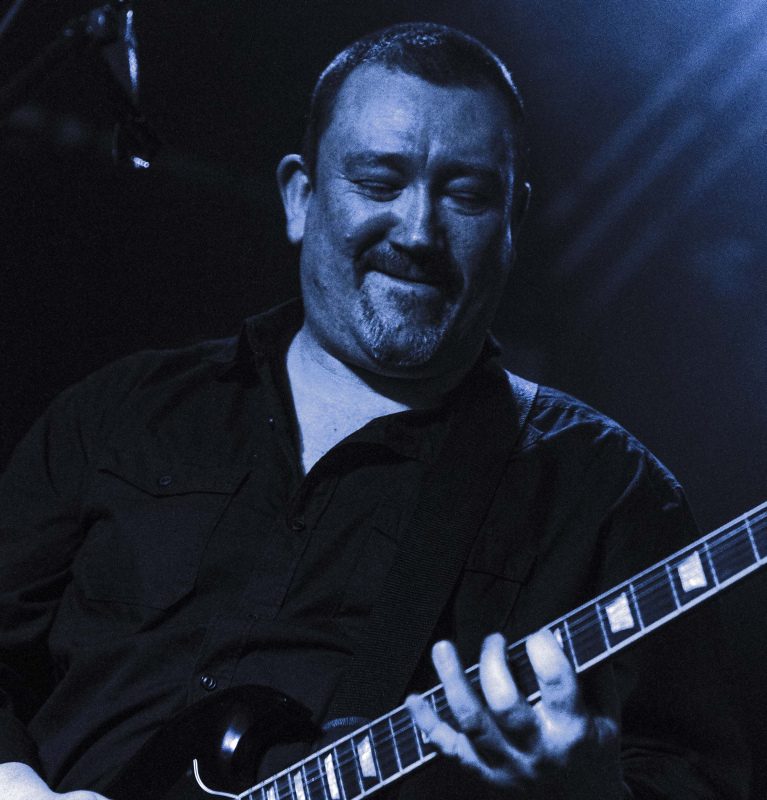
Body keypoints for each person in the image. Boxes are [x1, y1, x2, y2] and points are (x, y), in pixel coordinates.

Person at [0, 22, 749, 800]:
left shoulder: (605, 493)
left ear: (512, 224)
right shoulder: (119, 412)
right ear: (300, 197)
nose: (418, 231)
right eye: (378, 181)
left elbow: (695, 779)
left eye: (466, 194)